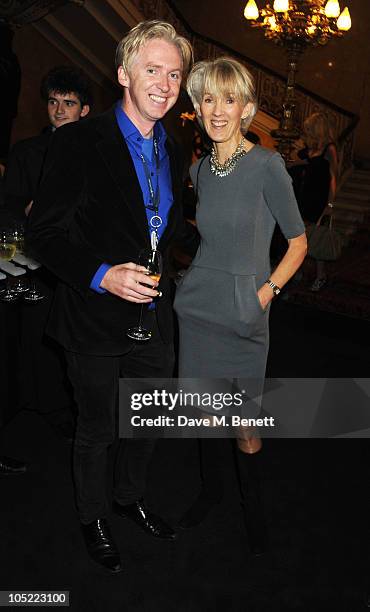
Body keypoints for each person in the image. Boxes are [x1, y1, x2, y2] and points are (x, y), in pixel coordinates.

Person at [27, 21, 194, 574]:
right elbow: (45, 236)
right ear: (124, 74)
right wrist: (102, 275)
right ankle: (91, 514)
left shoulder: (175, 143)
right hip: (93, 315)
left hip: (153, 311)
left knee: (147, 419)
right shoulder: (78, 141)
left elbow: (163, 225)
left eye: (174, 74)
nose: (166, 84)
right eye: (153, 70)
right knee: (97, 428)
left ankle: (128, 497)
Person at [174, 58, 307, 550]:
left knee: (244, 424)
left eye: (228, 99)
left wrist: (264, 295)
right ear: (198, 106)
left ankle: (254, 509)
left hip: (246, 309)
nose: (217, 109)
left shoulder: (267, 166)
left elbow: (298, 243)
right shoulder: (199, 170)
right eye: (208, 98)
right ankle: (211, 493)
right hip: (199, 306)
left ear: (246, 108)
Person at [3, 66, 93, 441]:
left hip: (73, 265)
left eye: (68, 103)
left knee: (63, 343)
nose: (59, 110)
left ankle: (58, 409)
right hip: (24, 261)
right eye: (54, 102)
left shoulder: (95, 155)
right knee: (18, 342)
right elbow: (9, 209)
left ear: (83, 110)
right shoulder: (27, 151)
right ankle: (17, 410)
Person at [289, 111, 338, 292]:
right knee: (299, 236)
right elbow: (298, 159)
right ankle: (297, 270)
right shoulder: (311, 148)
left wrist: (330, 204)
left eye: (309, 129)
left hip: (318, 198)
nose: (306, 132)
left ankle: (320, 275)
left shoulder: (329, 149)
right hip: (303, 195)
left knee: (315, 237)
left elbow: (333, 178)